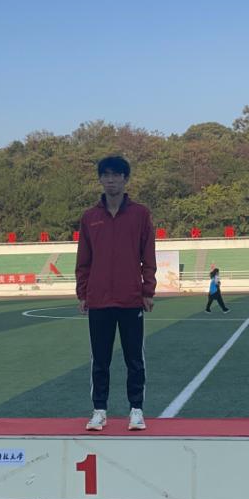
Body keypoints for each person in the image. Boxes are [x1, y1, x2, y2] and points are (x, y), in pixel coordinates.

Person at [76, 155, 156, 432]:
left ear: (125, 179)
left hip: (131, 298)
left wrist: (148, 290)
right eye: (106, 175)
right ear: (100, 179)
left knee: (134, 358)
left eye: (116, 175)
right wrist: (83, 293)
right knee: (100, 359)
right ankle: (99, 410)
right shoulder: (90, 218)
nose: (111, 180)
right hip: (99, 300)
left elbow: (148, 255)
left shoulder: (140, 214)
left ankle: (136, 410)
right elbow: (84, 259)